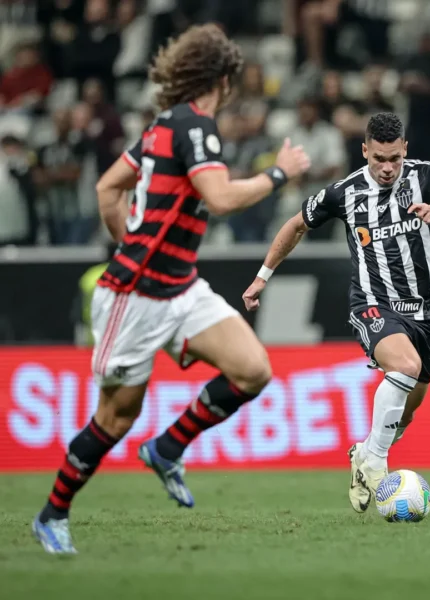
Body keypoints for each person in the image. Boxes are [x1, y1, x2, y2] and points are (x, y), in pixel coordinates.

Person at [32, 24, 312, 555]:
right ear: (223, 78)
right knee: (115, 419)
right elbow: (222, 197)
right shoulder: (194, 127)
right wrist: (279, 173)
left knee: (253, 370)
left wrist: (128, 238)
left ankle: (167, 448)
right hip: (134, 298)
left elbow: (108, 186)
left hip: (180, 289)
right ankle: (52, 514)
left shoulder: (164, 126)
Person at [242, 112, 430, 513]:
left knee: (404, 415)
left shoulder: (428, 177)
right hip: (374, 305)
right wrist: (262, 276)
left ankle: (365, 454)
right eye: (379, 158)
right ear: (365, 151)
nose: (388, 167)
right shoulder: (344, 192)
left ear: (405, 149)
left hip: (428, 312)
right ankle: (376, 464)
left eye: (394, 157)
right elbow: (294, 226)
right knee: (405, 366)